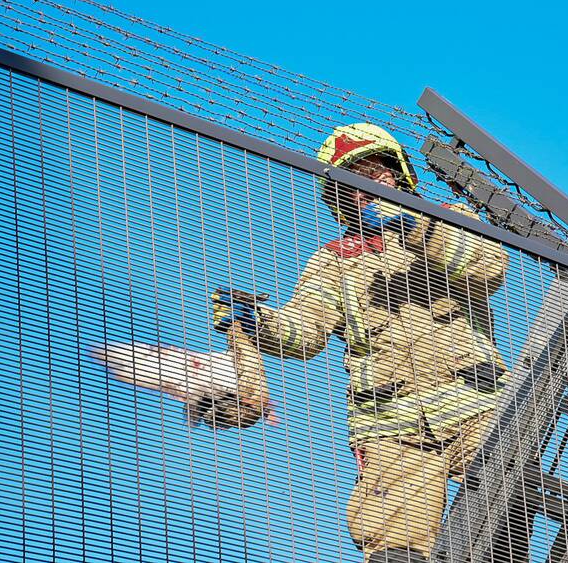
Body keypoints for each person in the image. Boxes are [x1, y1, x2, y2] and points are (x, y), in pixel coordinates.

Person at [212, 123, 511, 563]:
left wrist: (416, 229)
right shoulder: (334, 259)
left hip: (477, 402)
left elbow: (489, 266)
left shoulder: (447, 219)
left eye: (378, 174)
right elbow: (307, 329)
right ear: (338, 198)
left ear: (400, 177)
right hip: (390, 423)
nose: (368, 186)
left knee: (504, 512)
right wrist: (260, 324)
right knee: (394, 547)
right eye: (353, 180)